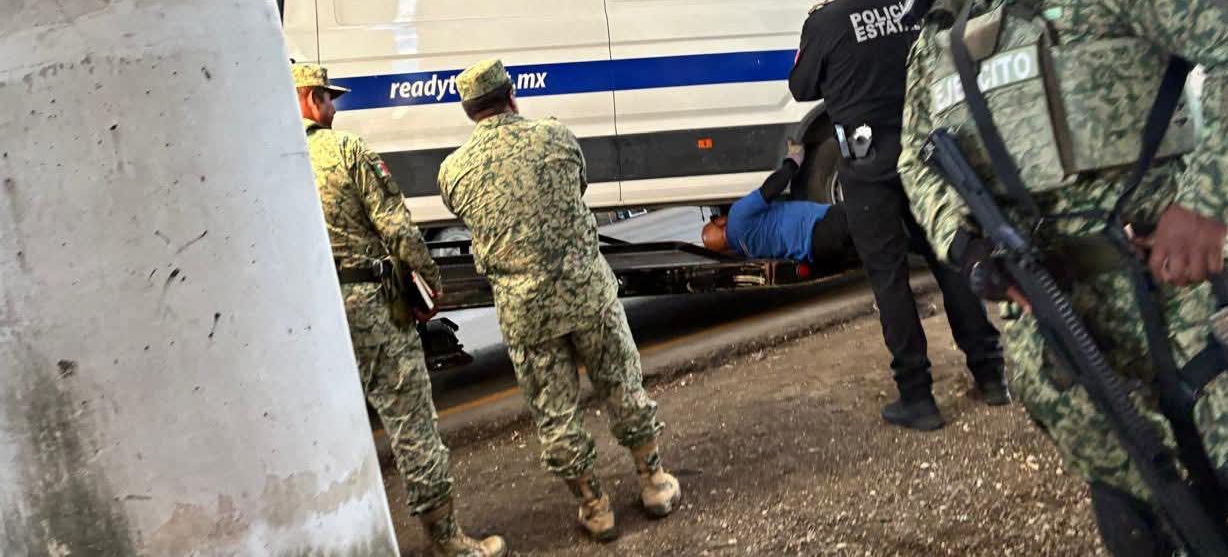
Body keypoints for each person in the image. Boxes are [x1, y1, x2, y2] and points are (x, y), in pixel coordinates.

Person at [895, 0, 1228, 552]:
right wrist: (967, 248)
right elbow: (916, 155)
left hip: (1175, 297)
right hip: (1056, 325)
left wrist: (1205, 205)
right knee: (1148, 506)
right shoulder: (941, 30)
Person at [437, 59, 681, 543]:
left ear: (469, 112)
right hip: (588, 293)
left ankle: (596, 508)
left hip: (526, 310)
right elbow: (579, 188)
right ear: (512, 96)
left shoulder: (454, 171)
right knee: (622, 384)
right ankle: (654, 483)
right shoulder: (556, 137)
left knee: (555, 413)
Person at [789, 0, 1007, 431]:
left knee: (890, 280)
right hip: (923, 158)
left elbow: (801, 88)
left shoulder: (823, 21)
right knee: (951, 263)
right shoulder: (906, 10)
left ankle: (918, 397)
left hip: (867, 169)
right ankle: (991, 374)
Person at [293, 63, 506, 557]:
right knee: (410, 420)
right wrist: (429, 286)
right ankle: (445, 538)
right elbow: (399, 230)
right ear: (310, 100)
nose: (333, 107)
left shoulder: (268, 159)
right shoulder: (345, 150)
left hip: (309, 314)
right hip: (368, 305)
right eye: (328, 98)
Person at [701, 140, 856, 267]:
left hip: (818, 251)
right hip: (820, 226)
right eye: (714, 219)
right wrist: (793, 160)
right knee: (871, 210)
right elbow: (771, 188)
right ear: (720, 222)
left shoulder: (746, 252)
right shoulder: (737, 215)